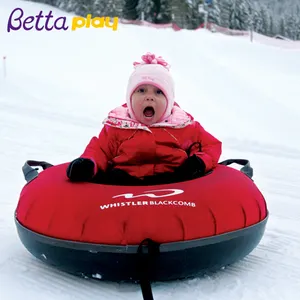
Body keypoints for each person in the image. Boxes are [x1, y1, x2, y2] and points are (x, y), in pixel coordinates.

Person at [66, 53, 222, 185]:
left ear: (169, 101)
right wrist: (88, 163)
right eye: (141, 90)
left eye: (158, 92)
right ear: (130, 98)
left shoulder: (183, 126)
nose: (149, 97)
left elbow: (210, 146)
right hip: (125, 184)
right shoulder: (117, 127)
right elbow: (99, 150)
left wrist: (199, 162)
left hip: (173, 183)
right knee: (112, 176)